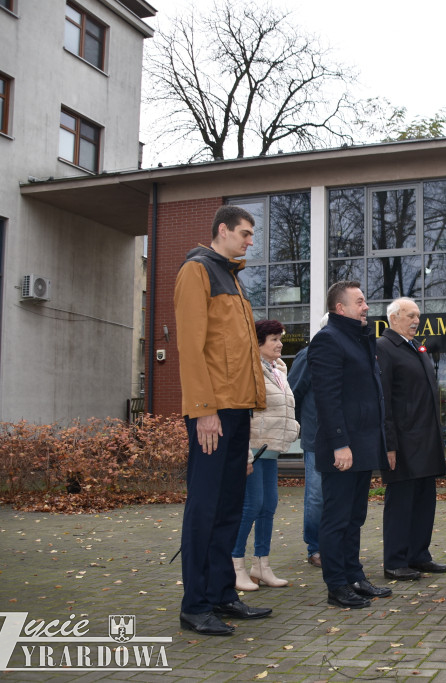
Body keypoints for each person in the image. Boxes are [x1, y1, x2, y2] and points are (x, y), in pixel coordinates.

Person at [173, 205, 271, 636]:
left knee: (229, 508)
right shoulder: (196, 271)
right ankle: (195, 605)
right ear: (222, 231)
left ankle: (221, 595)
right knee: (205, 510)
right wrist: (204, 410)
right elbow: (191, 348)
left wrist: (243, 415)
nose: (250, 241)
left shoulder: (231, 277)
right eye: (245, 233)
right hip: (212, 413)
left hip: (236, 412)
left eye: (251, 235)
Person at [309, 280, 393, 609]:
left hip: (363, 445)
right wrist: (339, 445)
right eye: (359, 301)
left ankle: (355, 575)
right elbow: (327, 400)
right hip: (342, 449)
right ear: (340, 308)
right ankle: (337, 585)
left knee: (355, 516)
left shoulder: (361, 340)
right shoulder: (328, 341)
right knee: (336, 518)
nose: (366, 306)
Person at [376, 298, 446, 581]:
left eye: (418, 315)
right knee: (401, 503)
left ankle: (418, 556)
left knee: (423, 502)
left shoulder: (416, 347)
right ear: (393, 318)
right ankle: (395, 561)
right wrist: (389, 445)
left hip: (426, 442)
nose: (416, 320)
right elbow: (383, 401)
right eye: (410, 315)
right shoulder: (384, 348)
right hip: (404, 443)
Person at [231, 319, 300, 591]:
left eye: (280, 338)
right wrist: (244, 452)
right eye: (273, 339)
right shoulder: (250, 370)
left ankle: (261, 565)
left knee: (268, 506)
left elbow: (284, 407)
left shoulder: (279, 369)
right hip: (254, 450)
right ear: (258, 343)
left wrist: (293, 429)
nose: (280, 343)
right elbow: (244, 412)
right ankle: (235, 565)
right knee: (252, 506)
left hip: (271, 451)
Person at [287, 313, 330, 570]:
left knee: (335, 497)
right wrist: (299, 426)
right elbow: (293, 393)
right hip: (316, 438)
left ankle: (333, 545)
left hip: (343, 440)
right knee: (316, 496)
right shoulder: (308, 355)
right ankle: (314, 547)